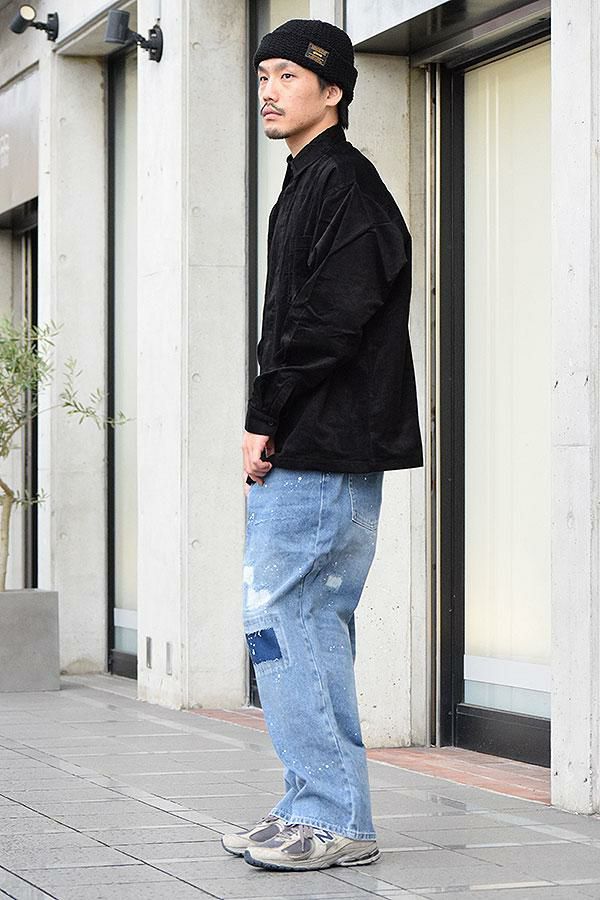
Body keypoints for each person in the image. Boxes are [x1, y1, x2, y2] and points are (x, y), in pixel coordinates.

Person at [221, 18, 424, 872]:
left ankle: (330, 815)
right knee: (307, 623)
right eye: (262, 75)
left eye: (288, 77)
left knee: (282, 618)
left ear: (333, 91)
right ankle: (318, 804)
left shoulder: (344, 183)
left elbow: (326, 319)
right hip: (321, 445)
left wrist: (264, 415)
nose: (269, 91)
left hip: (321, 448)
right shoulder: (313, 179)